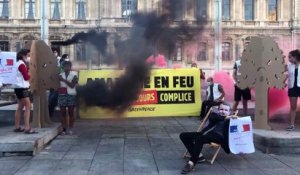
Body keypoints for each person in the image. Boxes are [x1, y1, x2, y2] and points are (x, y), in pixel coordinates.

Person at [179, 102, 236, 174]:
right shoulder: (214, 115)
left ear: (229, 112)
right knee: (183, 135)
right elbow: (214, 118)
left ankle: (191, 163)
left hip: (218, 137)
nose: (223, 111)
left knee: (199, 139)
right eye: (221, 109)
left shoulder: (231, 121)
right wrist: (225, 117)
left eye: (226, 110)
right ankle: (198, 156)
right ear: (218, 110)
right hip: (206, 134)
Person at [14, 49, 37, 134]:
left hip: (17, 88)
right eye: (27, 55)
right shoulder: (21, 65)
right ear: (23, 56)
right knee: (28, 106)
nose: (28, 57)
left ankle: (17, 126)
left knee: (20, 107)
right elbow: (26, 77)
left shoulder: (17, 63)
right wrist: (30, 73)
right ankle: (27, 127)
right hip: (22, 88)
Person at [58, 61, 78, 135]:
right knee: (62, 113)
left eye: (68, 66)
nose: (67, 68)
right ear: (63, 67)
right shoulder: (60, 75)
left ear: (70, 67)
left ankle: (71, 128)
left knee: (71, 113)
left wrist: (63, 80)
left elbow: (72, 85)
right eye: (65, 66)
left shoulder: (74, 75)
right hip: (62, 95)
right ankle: (64, 129)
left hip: (71, 95)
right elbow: (57, 85)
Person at [286, 49, 300, 131]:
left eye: (290, 57)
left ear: (295, 57)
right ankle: (291, 125)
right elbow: (284, 74)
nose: (289, 59)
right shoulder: (289, 66)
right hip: (292, 87)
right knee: (293, 106)